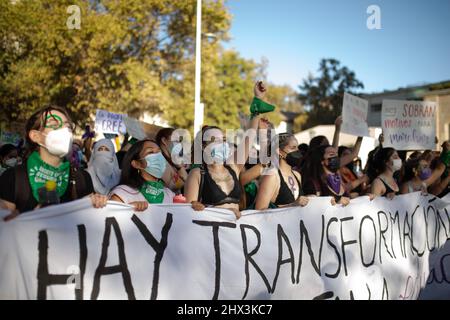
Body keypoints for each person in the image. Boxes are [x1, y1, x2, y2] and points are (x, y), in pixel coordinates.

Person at [0, 106, 107, 220]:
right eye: (55, 126)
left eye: (68, 126)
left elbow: (90, 223)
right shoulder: (13, 178)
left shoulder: (82, 178)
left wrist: (98, 203)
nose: (64, 131)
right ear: (36, 136)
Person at [184, 82, 265, 218]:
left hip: (234, 234)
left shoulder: (234, 166)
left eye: (223, 140)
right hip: (212, 233)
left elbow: (250, 135)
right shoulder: (197, 174)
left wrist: (258, 99)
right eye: (215, 140)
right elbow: (188, 213)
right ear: (203, 146)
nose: (222, 144)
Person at [109, 139, 175, 211]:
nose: (158, 156)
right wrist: (128, 209)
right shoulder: (122, 193)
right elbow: (109, 216)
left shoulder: (169, 194)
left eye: (159, 152)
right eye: (151, 152)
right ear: (137, 164)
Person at [254, 133, 309, 210]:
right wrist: (293, 205)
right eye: (293, 148)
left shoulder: (297, 175)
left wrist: (311, 199)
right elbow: (259, 209)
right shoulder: (272, 176)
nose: (297, 152)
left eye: (297, 148)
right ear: (279, 151)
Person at [156, 127, 188, 194]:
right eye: (176, 141)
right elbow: (174, 186)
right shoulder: (159, 161)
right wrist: (180, 168)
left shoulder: (170, 161)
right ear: (164, 140)